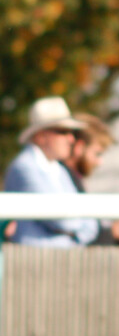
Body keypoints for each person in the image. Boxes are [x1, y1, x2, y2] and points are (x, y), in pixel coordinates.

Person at [3, 97, 99, 246]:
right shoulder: (24, 168)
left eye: (71, 132)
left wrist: (77, 230)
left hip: (50, 260)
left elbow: (89, 223)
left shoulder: (58, 169)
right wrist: (78, 234)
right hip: (30, 263)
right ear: (41, 137)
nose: (71, 139)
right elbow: (63, 221)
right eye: (62, 131)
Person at [61, 113, 119, 245]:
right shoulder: (61, 179)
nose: (99, 162)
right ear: (79, 147)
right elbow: (76, 241)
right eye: (97, 153)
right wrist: (112, 233)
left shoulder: (71, 179)